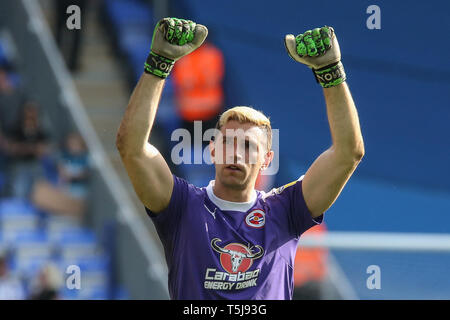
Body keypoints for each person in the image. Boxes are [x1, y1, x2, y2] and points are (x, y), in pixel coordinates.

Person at [116, 18, 364, 299]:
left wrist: (331, 73)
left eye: (248, 146)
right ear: (212, 149)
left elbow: (348, 153)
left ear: (267, 159)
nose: (235, 152)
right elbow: (132, 148)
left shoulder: (286, 210)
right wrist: (158, 63)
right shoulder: (181, 205)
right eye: (228, 142)